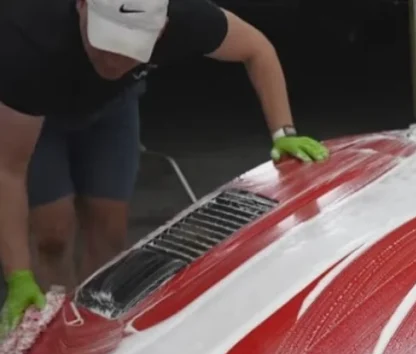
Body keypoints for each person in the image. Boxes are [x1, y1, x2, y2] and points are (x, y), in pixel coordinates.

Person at [0, 0, 329, 334]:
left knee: (109, 226)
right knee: (53, 233)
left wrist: (283, 132)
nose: (114, 60)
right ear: (82, 6)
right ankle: (53, 325)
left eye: (129, 48)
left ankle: (91, 327)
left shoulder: (185, 16)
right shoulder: (27, 36)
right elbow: (8, 170)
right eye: (106, 42)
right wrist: (18, 275)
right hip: (35, 112)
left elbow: (257, 48)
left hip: (112, 109)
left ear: (162, 28)